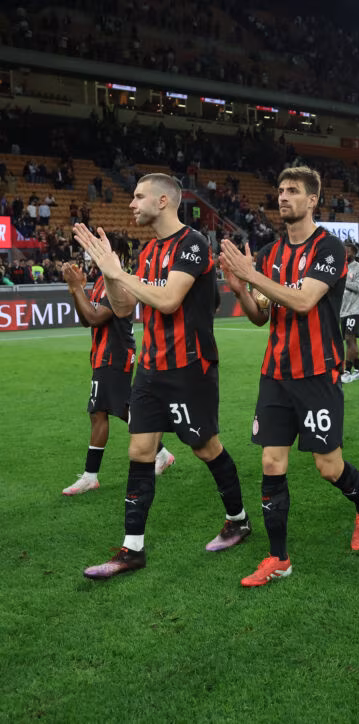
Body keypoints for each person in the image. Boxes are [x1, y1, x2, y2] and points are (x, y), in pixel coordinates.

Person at [73, 173, 250, 579]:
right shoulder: (149, 250)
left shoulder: (193, 244)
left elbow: (169, 300)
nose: (132, 203)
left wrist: (119, 274)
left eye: (139, 196)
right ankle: (131, 549)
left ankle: (238, 520)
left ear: (164, 201)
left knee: (206, 448)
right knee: (140, 451)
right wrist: (111, 272)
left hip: (189, 369)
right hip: (150, 369)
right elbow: (122, 308)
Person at [219, 166, 359, 587]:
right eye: (280, 190)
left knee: (328, 467)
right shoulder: (269, 254)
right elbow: (260, 316)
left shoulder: (329, 248)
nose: (283, 196)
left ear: (312, 200)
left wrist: (252, 276)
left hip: (317, 373)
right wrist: (241, 289)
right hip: (275, 373)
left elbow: (305, 301)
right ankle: (279, 558)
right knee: (272, 461)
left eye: (293, 190)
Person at [59, 245, 176, 495]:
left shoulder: (118, 282)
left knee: (98, 411)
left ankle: (90, 476)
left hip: (114, 354)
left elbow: (94, 317)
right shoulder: (101, 281)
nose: (93, 257)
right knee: (123, 409)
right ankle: (162, 452)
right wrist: (76, 290)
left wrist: (77, 288)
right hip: (105, 353)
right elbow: (86, 320)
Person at [339, 243, 359, 383]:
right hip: (343, 310)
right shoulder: (341, 268)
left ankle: (347, 372)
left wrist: (341, 279)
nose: (345, 253)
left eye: (348, 251)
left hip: (355, 309)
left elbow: (357, 286)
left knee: (349, 339)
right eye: (343, 251)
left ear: (354, 253)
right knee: (351, 341)